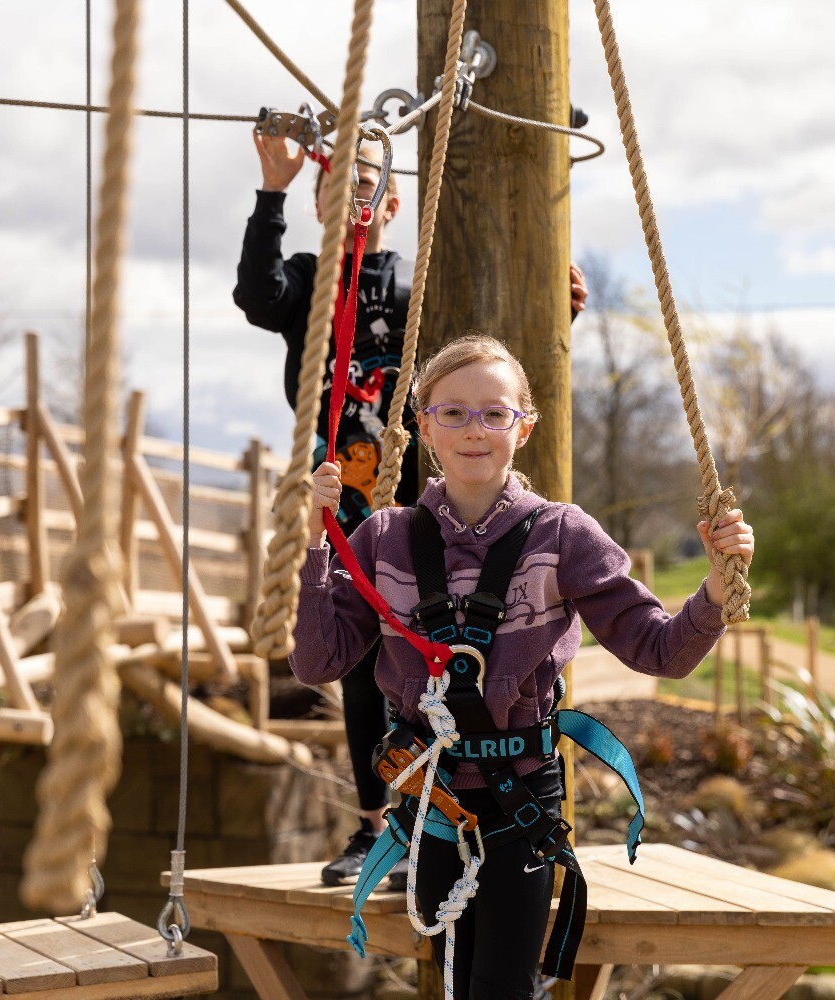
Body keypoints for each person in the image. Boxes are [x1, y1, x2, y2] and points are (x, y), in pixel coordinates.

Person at [290, 332, 754, 999]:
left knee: (500, 986)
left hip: (521, 805)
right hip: (432, 805)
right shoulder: (385, 539)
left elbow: (660, 652)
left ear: (524, 426)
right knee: (453, 978)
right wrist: (313, 545)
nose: (472, 429)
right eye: (452, 412)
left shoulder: (563, 538)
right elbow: (318, 659)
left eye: (493, 412)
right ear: (423, 427)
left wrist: (714, 588)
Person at [233, 130, 590, 890]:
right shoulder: (308, 279)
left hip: (414, 507)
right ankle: (377, 827)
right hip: (345, 502)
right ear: (319, 204)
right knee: (360, 664)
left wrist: (545, 298)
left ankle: (485, 809)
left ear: (393, 201)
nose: (352, 199)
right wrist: (273, 190)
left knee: (458, 654)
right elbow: (257, 297)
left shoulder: (415, 284)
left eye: (366, 187)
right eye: (335, 189)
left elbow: (480, 361)